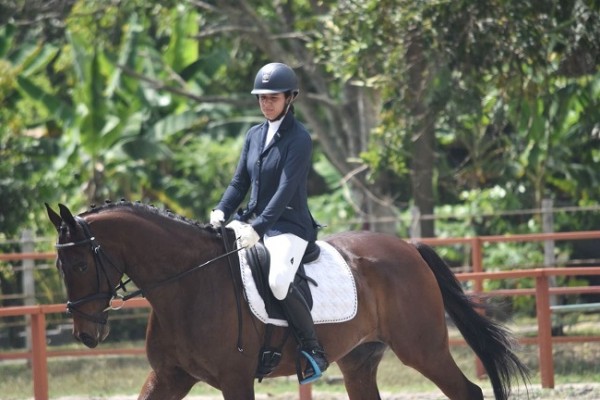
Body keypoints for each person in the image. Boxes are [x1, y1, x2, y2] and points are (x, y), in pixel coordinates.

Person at [209, 62, 329, 383]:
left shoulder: (299, 138)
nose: (266, 103)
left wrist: (257, 229)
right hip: (251, 223)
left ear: (290, 98)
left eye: (272, 97)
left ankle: (313, 348)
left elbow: (286, 190)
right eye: (261, 97)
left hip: (289, 226)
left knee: (277, 281)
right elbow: (239, 183)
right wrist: (221, 211)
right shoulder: (254, 134)